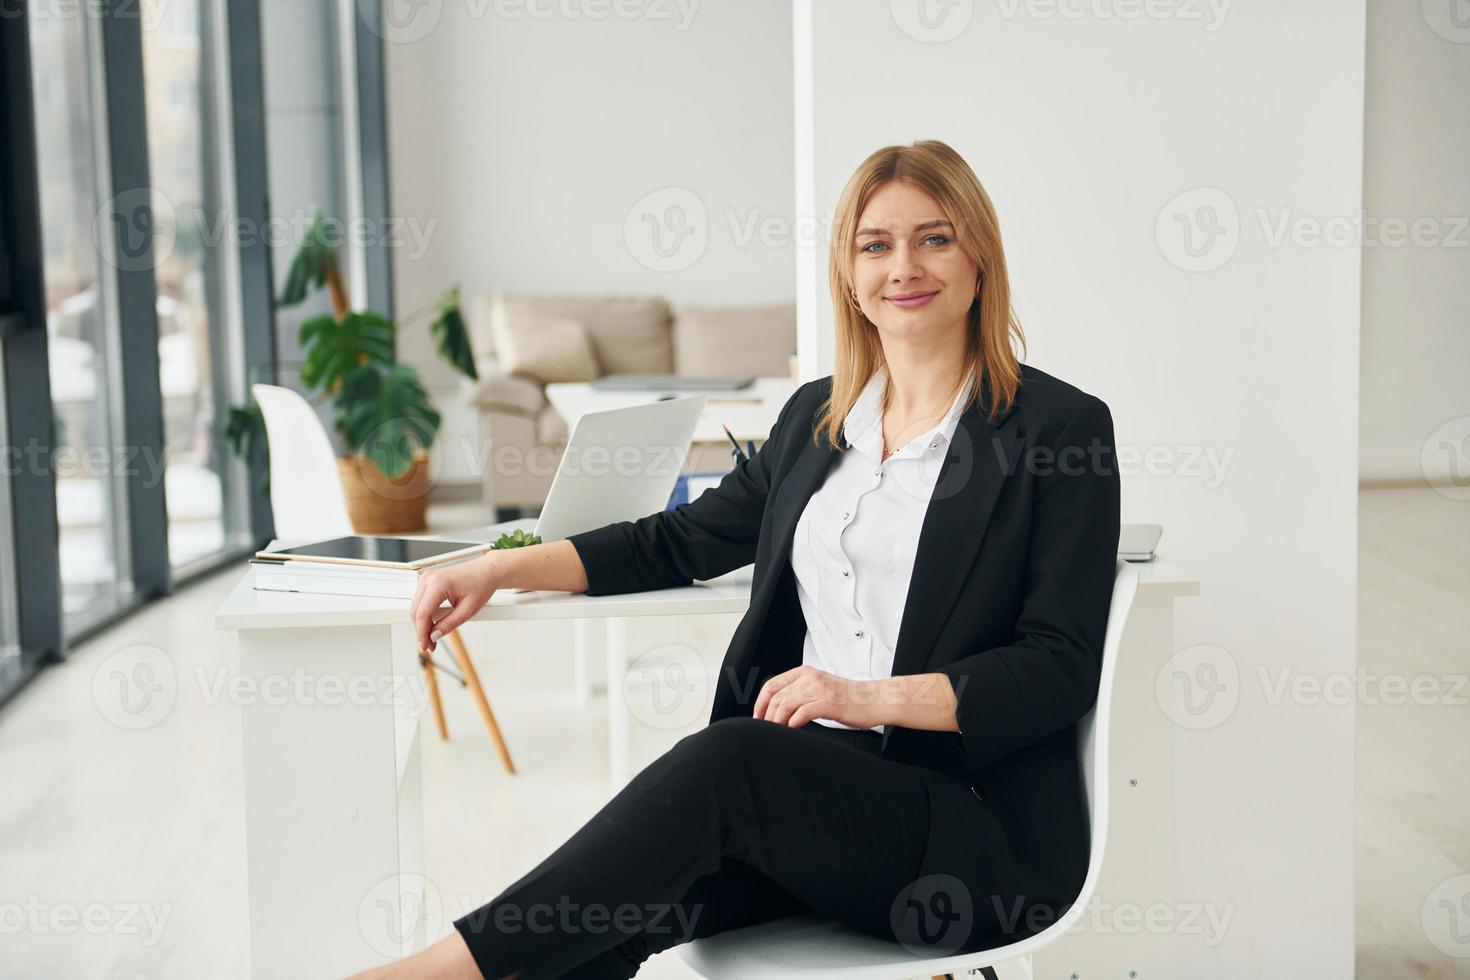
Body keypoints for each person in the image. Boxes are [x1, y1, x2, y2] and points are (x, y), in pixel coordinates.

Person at [350, 139, 1120, 980]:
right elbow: (675, 541)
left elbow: (1058, 667)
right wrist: (498, 566)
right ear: (848, 274)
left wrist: (861, 697)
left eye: (935, 238)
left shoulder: (1058, 431)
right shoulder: (816, 423)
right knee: (605, 920)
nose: (904, 265)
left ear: (980, 257)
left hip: (970, 832)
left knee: (729, 760)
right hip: (812, 804)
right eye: (876, 244)